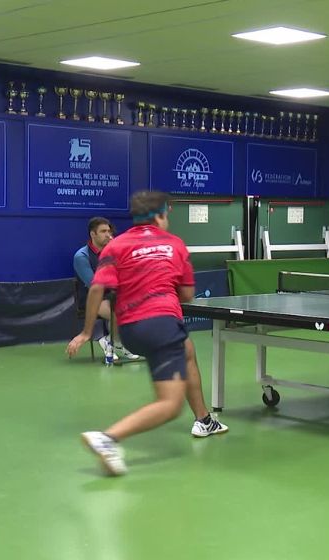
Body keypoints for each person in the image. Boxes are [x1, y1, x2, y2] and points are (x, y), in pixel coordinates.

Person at [67, 191, 228, 476]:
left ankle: (204, 419)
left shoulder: (116, 246)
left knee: (187, 351)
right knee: (169, 404)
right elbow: (187, 295)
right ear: (160, 216)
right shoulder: (175, 244)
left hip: (129, 330)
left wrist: (86, 332)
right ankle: (108, 438)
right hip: (162, 325)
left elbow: (96, 289)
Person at [73, 217, 140, 363]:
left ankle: (111, 341)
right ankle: (114, 343)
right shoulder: (81, 256)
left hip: (113, 295)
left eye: (109, 231)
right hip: (92, 299)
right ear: (93, 234)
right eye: (103, 231)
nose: (108, 235)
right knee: (118, 313)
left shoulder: (113, 252)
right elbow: (94, 285)